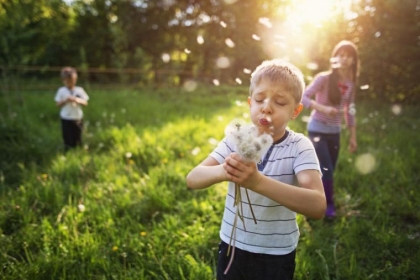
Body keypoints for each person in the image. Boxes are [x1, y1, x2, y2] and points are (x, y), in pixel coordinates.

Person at [186, 59, 326, 280]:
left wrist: (257, 183)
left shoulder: (299, 147)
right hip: (232, 246)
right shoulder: (236, 140)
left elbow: (317, 206)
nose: (267, 107)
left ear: (295, 111)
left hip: (276, 254)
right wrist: (224, 170)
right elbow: (193, 179)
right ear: (250, 103)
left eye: (280, 102)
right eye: (260, 99)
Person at [301, 40, 359, 218]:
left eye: (349, 56)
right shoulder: (323, 79)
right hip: (317, 130)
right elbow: (303, 97)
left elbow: (350, 110)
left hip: (335, 133)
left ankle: (312, 199)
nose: (344, 58)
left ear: (353, 61)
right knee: (326, 169)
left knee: (328, 169)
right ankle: (327, 205)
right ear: (335, 57)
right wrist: (323, 108)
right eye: (341, 54)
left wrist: (353, 137)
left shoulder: (350, 85)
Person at [54, 67, 89, 151]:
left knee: (78, 136)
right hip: (66, 118)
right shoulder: (61, 91)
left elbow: (85, 102)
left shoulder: (79, 90)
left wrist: (77, 100)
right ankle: (68, 150)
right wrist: (66, 100)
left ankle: (78, 151)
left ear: (75, 79)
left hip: (77, 117)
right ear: (64, 80)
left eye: (73, 81)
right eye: (68, 81)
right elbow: (57, 104)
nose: (71, 83)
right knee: (67, 136)